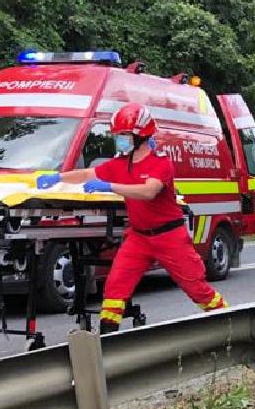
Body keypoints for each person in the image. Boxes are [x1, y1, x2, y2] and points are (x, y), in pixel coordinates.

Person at [36, 102, 227, 333]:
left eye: (123, 135)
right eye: (118, 135)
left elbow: (149, 191)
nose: (119, 140)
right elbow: (88, 174)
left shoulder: (160, 162)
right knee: (115, 287)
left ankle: (229, 321)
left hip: (169, 237)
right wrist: (58, 178)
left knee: (196, 288)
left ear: (140, 135)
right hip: (138, 237)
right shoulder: (121, 163)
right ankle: (108, 336)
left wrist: (110, 187)